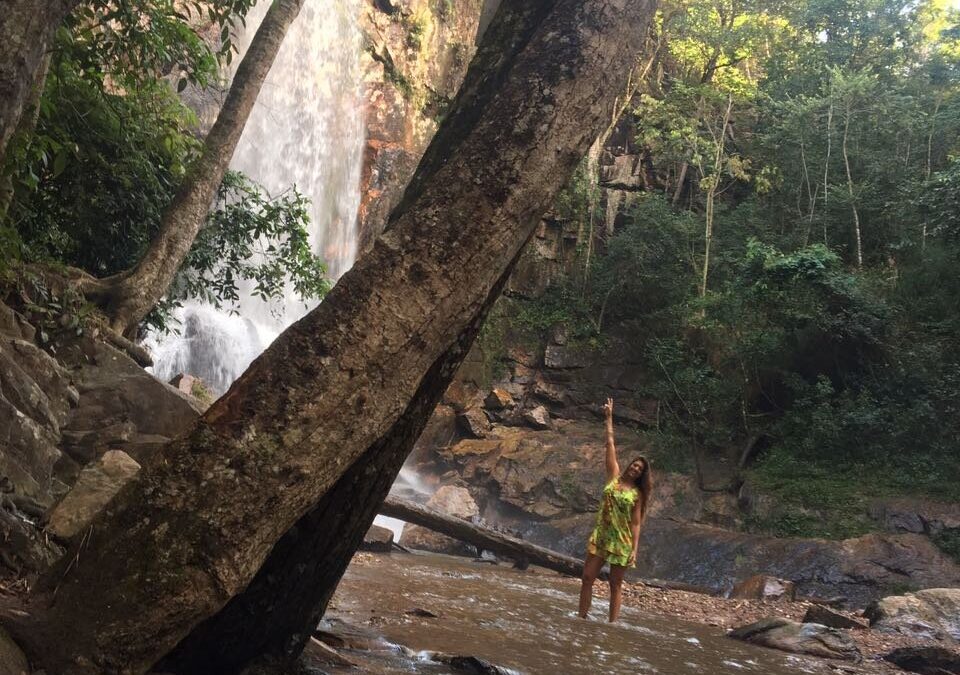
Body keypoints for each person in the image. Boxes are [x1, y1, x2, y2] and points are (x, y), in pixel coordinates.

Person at [578, 397, 653, 622]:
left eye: (639, 469)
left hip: (622, 541)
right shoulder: (613, 478)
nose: (635, 469)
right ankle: (581, 617)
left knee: (615, 584)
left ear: (641, 475)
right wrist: (609, 418)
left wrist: (634, 550)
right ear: (629, 465)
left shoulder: (637, 495)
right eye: (634, 465)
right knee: (587, 577)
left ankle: (612, 625)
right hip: (602, 536)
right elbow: (610, 445)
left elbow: (637, 522)